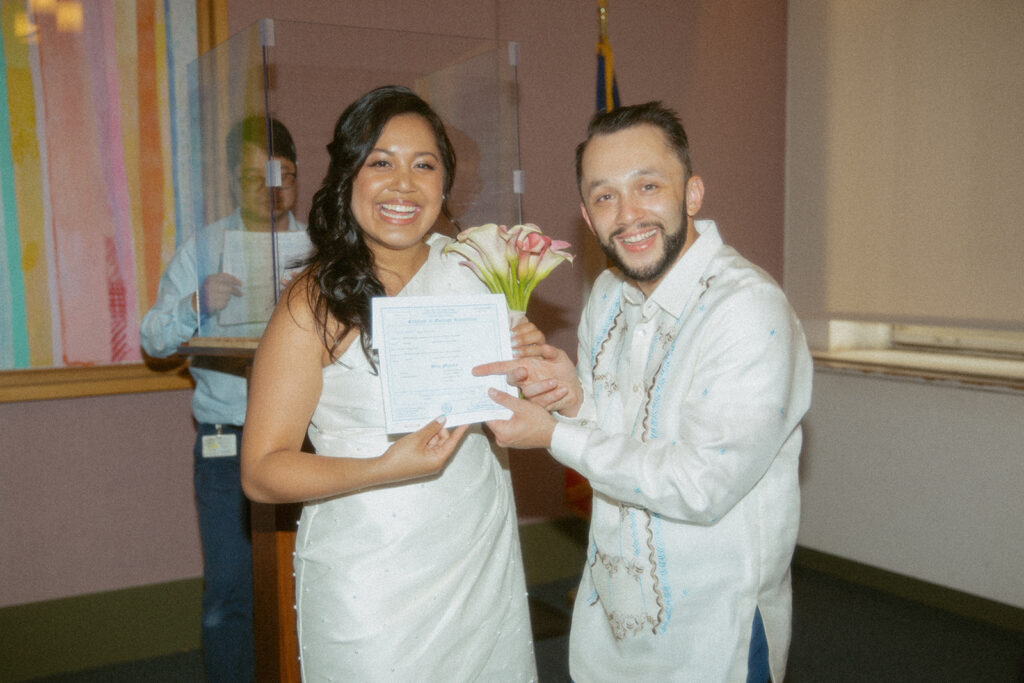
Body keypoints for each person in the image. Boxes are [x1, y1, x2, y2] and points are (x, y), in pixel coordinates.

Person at [474, 101, 813, 681]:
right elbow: (625, 429)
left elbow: (700, 485)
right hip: (616, 608)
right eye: (605, 196)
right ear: (586, 214)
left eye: (648, 185)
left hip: (716, 626)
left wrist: (553, 433)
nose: (628, 214)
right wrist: (572, 399)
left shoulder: (748, 311)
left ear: (693, 193)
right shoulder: (608, 293)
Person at [240, 85, 539, 681]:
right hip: (368, 571)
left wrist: (527, 370)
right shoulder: (314, 299)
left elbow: (512, 417)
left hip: (474, 554)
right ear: (349, 177)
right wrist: (385, 468)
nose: (403, 184)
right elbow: (262, 469)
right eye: (381, 162)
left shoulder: (478, 271)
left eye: (423, 165)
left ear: (446, 185)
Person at [140, 116, 305, 682]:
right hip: (226, 442)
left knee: (312, 579)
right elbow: (153, 338)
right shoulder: (206, 246)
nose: (269, 188)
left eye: (281, 175)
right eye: (253, 177)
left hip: (308, 439)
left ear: (298, 178)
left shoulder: (324, 247)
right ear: (234, 183)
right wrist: (195, 303)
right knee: (231, 589)